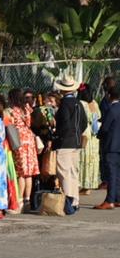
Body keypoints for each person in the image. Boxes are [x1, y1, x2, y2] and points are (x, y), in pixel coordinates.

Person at [53, 75, 88, 214]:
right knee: (73, 173)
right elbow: (84, 123)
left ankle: (68, 202)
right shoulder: (78, 103)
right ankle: (75, 201)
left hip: (65, 142)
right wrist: (77, 132)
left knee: (64, 173)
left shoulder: (64, 105)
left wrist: (58, 134)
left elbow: (64, 124)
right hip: (76, 142)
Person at [7, 90, 39, 212]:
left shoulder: (11, 111)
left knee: (21, 173)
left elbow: (9, 125)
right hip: (29, 139)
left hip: (18, 140)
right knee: (28, 173)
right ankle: (27, 200)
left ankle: (19, 202)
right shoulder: (26, 109)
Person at [99, 84, 120, 210]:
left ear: (109, 96)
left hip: (112, 145)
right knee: (118, 174)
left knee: (111, 173)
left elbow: (105, 128)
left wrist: (99, 135)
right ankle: (117, 198)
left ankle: (110, 200)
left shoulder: (111, 110)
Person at [80, 83, 101, 194]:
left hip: (85, 133)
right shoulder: (94, 103)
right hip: (94, 136)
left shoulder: (81, 104)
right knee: (92, 161)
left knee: (84, 159)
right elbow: (98, 116)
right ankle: (89, 185)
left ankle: (83, 185)